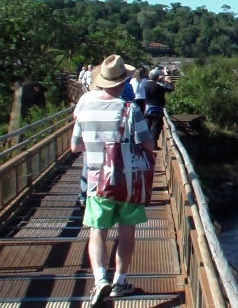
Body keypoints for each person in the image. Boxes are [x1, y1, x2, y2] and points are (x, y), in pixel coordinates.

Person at [71, 55, 153, 308]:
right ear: (123, 81)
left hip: (97, 181)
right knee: (127, 234)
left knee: (97, 233)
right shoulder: (130, 109)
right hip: (128, 181)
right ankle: (120, 282)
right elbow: (148, 145)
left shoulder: (84, 106)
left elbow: (74, 147)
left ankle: (100, 279)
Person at [144, 70, 175, 149]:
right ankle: (153, 146)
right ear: (157, 77)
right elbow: (171, 89)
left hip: (147, 108)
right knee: (155, 127)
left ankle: (146, 145)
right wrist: (169, 81)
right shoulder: (159, 86)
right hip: (157, 108)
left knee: (147, 126)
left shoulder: (145, 84)